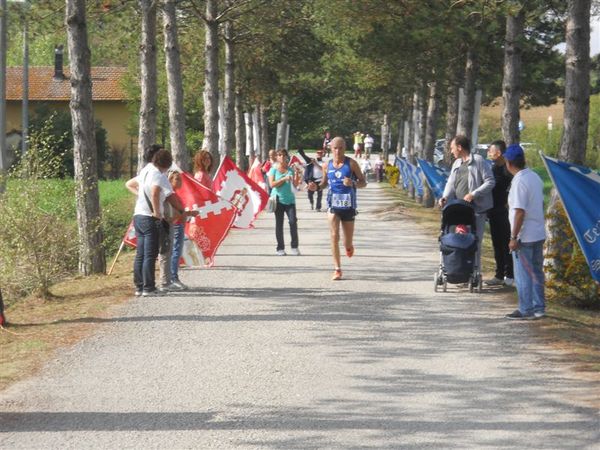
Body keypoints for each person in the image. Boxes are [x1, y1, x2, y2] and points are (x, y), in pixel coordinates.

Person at [125, 147, 187, 297]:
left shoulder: (146, 170)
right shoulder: (159, 175)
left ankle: (139, 286)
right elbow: (160, 193)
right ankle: (149, 288)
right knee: (150, 254)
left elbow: (132, 184)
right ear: (167, 164)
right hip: (149, 218)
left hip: (138, 215)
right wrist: (161, 211)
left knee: (141, 254)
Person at [308, 136, 367, 280]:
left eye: (341, 148)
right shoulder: (327, 165)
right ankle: (337, 269)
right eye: (335, 148)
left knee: (347, 242)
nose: (338, 151)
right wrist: (316, 187)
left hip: (348, 206)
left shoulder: (351, 163)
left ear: (344, 148)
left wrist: (352, 183)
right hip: (333, 205)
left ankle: (349, 247)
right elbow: (324, 184)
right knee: (334, 236)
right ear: (330, 149)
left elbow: (363, 182)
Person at [439, 135, 495, 273]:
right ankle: (460, 270)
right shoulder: (457, 163)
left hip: (476, 210)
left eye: (452, 148)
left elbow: (490, 181)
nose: (451, 151)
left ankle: (475, 273)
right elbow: (451, 183)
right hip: (459, 209)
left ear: (459, 147)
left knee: (474, 242)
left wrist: (473, 194)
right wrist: (445, 197)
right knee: (458, 241)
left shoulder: (479, 161)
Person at [503, 144, 546, 320]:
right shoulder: (534, 176)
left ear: (509, 162)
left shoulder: (519, 181)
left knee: (523, 274)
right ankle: (539, 307)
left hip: (525, 235)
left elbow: (520, 211)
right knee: (536, 272)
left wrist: (514, 237)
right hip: (538, 232)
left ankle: (525, 308)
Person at [485, 140, 515, 287]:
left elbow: (514, 189)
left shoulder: (508, 169)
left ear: (498, 153)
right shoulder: (493, 168)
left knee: (506, 244)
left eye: (490, 151)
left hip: (506, 213)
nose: (488, 153)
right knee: (497, 243)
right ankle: (499, 275)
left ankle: (510, 275)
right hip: (493, 211)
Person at [268, 149, 302, 256]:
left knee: (293, 222)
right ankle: (280, 248)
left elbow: (295, 184)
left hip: (290, 200)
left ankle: (294, 246)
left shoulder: (290, 170)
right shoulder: (273, 169)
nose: (281, 157)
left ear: (286, 157)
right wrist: (283, 179)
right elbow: (272, 184)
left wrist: (297, 174)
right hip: (278, 200)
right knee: (279, 224)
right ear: (277, 157)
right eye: (279, 155)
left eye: (283, 155)